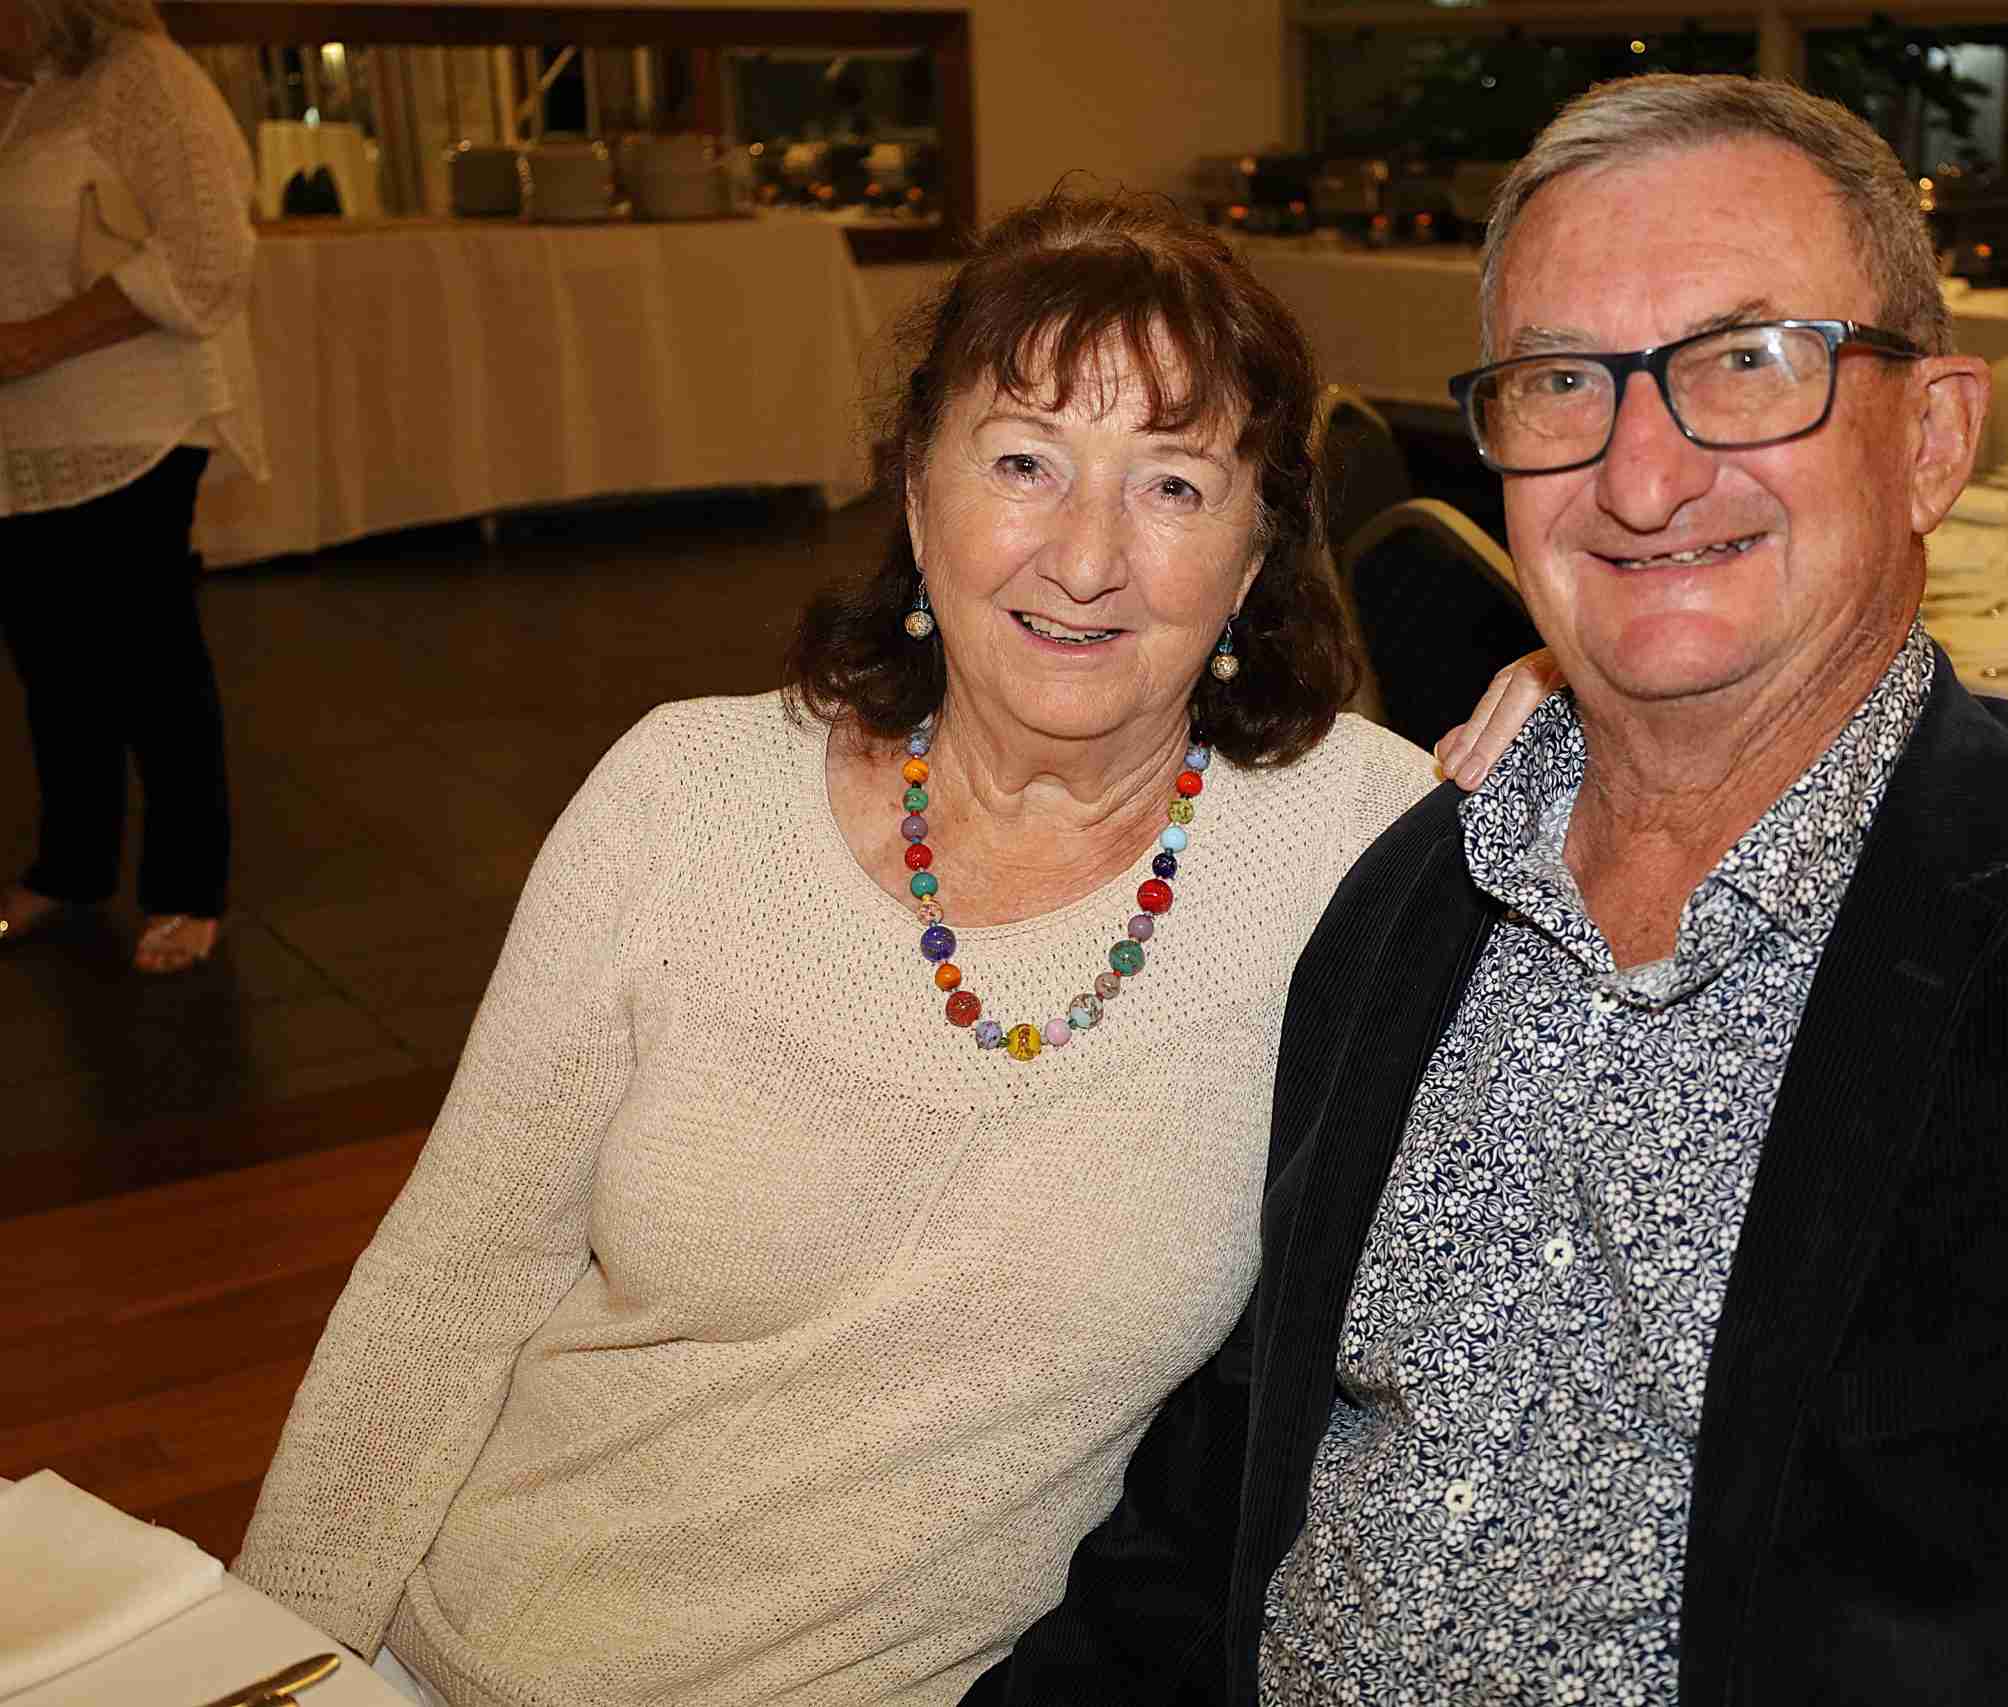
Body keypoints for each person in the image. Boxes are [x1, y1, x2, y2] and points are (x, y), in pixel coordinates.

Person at [991, 76, 2008, 1703]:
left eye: (1747, 362)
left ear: (1933, 438)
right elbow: (1218, 1507)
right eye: (1561, 381)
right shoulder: (1407, 900)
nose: (1643, 476)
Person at [232, 191, 1535, 1707]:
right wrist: (267, 1657)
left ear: (1254, 556)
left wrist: (1588, 699)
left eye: (1173, 485)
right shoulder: (684, 794)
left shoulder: (1361, 845)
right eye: (1024, 461)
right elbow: (445, 1288)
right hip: (447, 1652)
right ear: (920, 499)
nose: (1086, 556)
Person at [0, 0, 262, 972]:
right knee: (51, 658)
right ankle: (71, 868)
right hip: (25, 432)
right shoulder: (22, 92)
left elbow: (209, 258)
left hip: (134, 419)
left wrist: (34, 341)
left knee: (148, 655)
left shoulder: (141, 76)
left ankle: (189, 886)